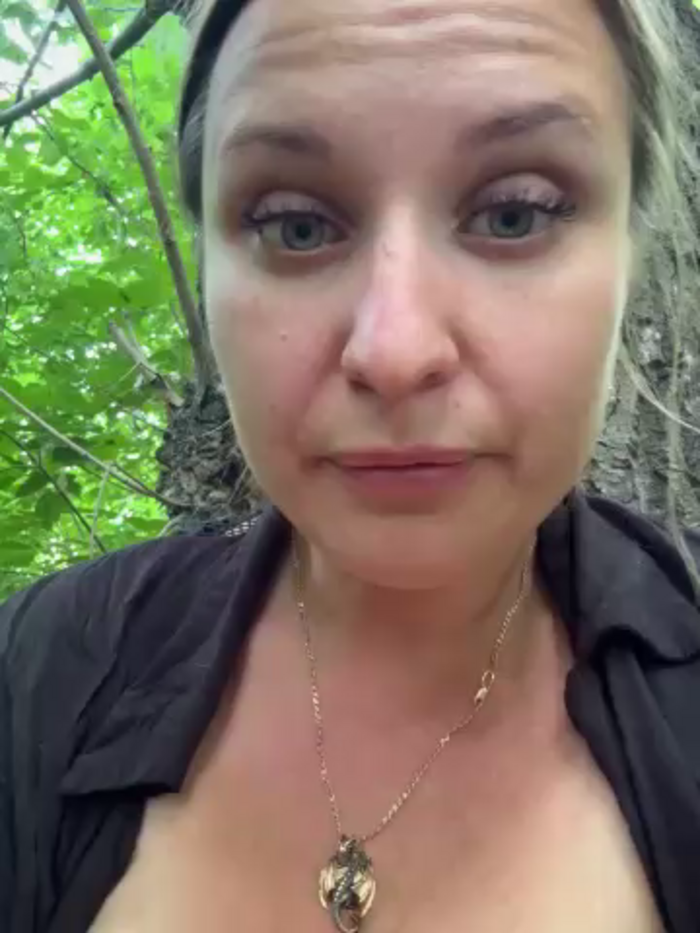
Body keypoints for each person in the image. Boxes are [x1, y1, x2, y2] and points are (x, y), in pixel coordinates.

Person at [2, 0, 700, 930]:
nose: (395, 350)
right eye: (296, 226)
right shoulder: (36, 676)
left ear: (633, 256)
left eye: (514, 213)